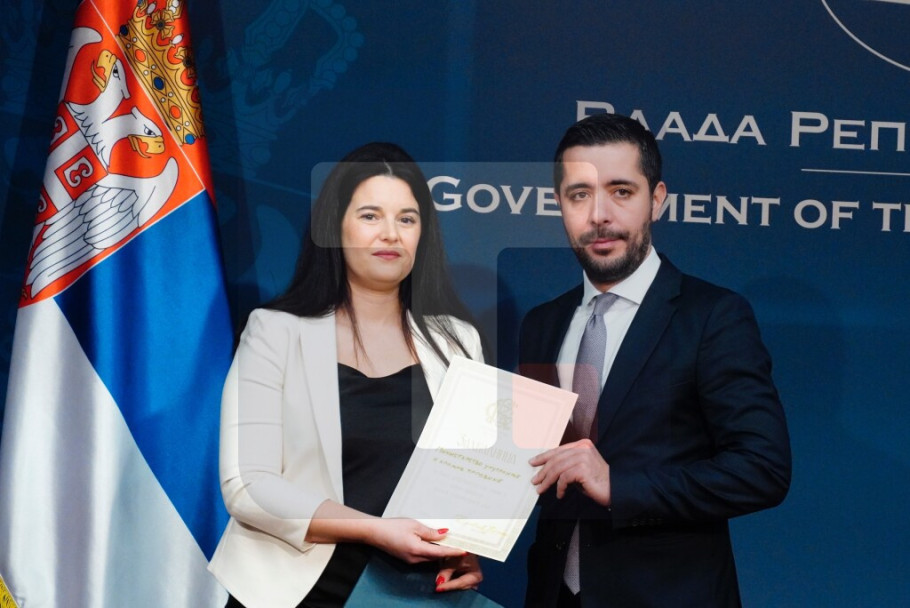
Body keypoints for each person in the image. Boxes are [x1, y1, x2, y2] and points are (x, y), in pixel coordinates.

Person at [520, 113, 791, 607]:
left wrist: (618, 486)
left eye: (621, 191)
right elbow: (532, 462)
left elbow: (761, 469)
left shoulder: (712, 316)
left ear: (657, 199)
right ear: (559, 204)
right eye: (579, 194)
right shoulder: (542, 323)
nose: (599, 214)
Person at [208, 142, 485, 608]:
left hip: (408, 593)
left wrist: (464, 547)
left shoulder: (458, 341)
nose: (391, 234)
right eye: (370, 216)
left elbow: (470, 483)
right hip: (291, 592)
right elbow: (247, 485)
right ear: (335, 226)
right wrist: (374, 530)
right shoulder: (275, 331)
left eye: (407, 219)